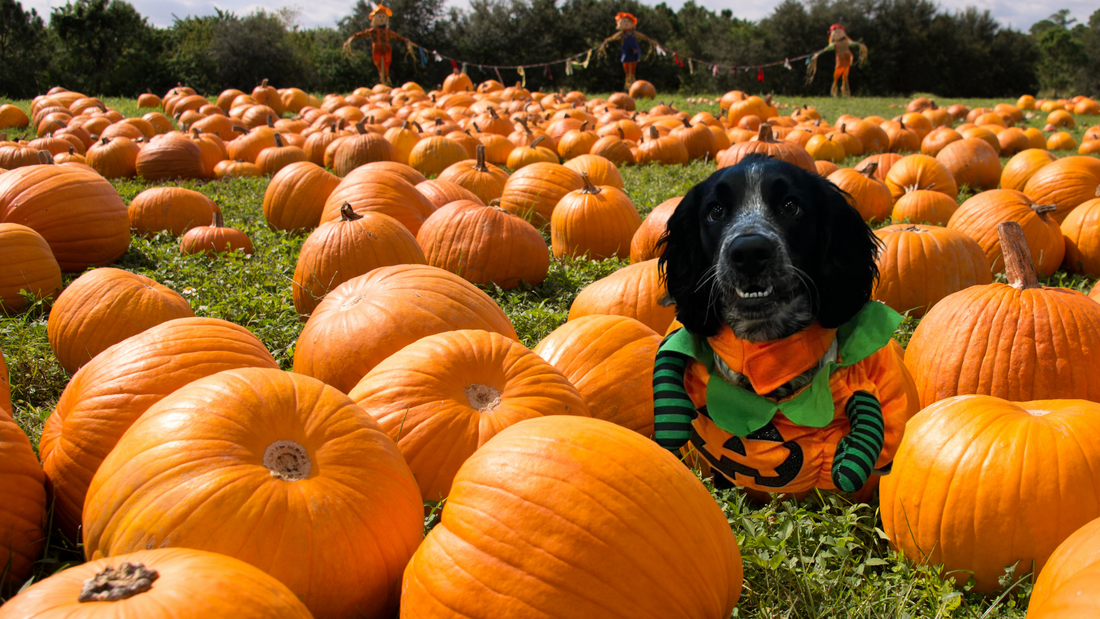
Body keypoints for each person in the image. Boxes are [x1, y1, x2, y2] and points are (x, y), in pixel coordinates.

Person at [343, 3, 412, 87]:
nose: (382, 18)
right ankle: (382, 79)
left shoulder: (387, 31)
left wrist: (403, 39)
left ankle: (385, 79)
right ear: (375, 19)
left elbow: (395, 36)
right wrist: (355, 36)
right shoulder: (374, 30)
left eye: (383, 16)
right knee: (379, 64)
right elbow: (365, 33)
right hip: (377, 48)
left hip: (386, 48)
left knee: (386, 64)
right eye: (380, 16)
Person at [807, 24, 868, 97]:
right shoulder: (834, 44)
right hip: (840, 61)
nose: (838, 33)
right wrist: (817, 54)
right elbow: (826, 49)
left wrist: (861, 46)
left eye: (839, 31)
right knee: (837, 75)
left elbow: (855, 44)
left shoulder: (847, 42)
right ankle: (835, 90)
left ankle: (845, 92)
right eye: (836, 32)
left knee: (845, 75)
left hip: (847, 60)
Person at [601, 13, 656, 90]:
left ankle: (633, 83)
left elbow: (642, 36)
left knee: (633, 68)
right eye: (624, 21)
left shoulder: (634, 33)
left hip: (634, 51)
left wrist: (649, 40)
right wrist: (607, 40)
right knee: (627, 68)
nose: (626, 23)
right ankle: (629, 83)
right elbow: (613, 37)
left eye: (628, 21)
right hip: (626, 52)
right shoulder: (622, 34)